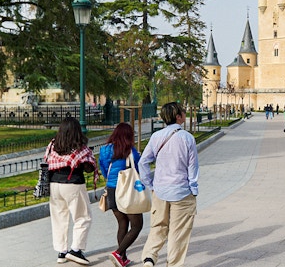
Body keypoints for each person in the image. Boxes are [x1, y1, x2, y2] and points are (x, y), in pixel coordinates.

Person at [139, 102, 199, 267]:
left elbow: (143, 162)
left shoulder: (156, 137)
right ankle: (173, 264)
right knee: (178, 232)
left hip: (160, 190)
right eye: (183, 112)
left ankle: (149, 257)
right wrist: (194, 189)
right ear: (178, 116)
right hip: (181, 191)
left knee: (158, 225)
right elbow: (192, 167)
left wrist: (149, 184)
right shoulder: (187, 138)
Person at [45, 117, 97, 265]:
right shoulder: (80, 147)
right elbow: (88, 168)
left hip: (55, 184)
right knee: (82, 217)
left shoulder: (53, 145)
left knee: (59, 218)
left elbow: (47, 161)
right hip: (73, 184)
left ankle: (61, 252)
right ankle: (76, 250)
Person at [99, 122, 144, 267]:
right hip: (127, 191)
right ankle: (118, 253)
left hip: (112, 190)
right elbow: (137, 170)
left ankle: (122, 259)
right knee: (137, 225)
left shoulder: (104, 150)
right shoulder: (132, 151)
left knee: (122, 223)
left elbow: (104, 170)